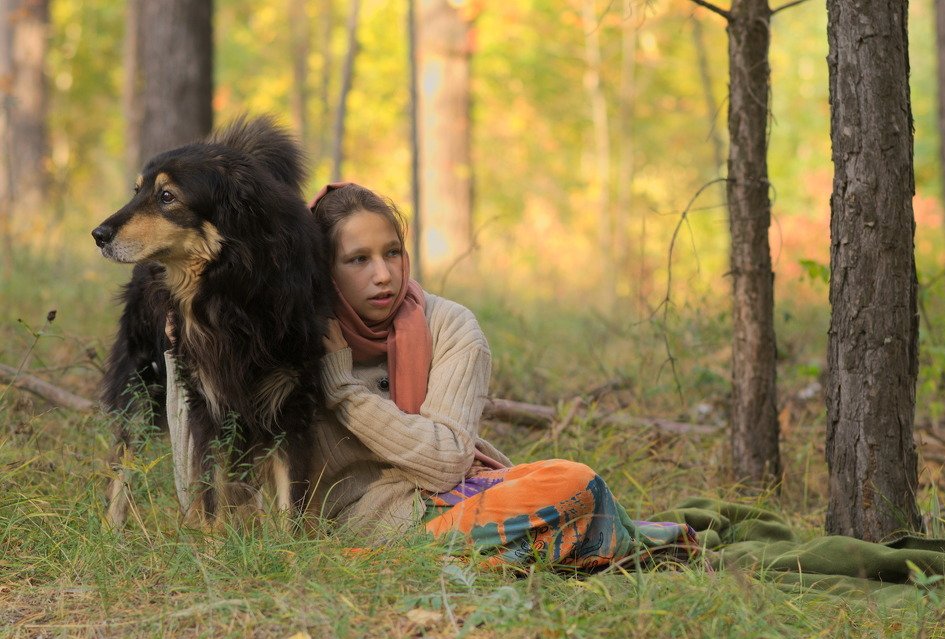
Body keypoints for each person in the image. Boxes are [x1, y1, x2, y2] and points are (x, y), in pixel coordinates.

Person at [168, 182, 698, 569]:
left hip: (451, 500)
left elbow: (446, 461)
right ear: (321, 270)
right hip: (359, 524)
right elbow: (205, 478)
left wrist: (343, 390)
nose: (384, 275)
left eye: (393, 253)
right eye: (358, 260)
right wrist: (184, 350)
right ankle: (411, 558)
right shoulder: (286, 336)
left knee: (572, 480)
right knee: (579, 495)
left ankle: (451, 556)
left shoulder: (448, 326)